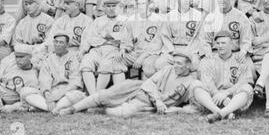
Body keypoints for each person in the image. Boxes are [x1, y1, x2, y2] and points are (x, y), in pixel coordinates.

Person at [57, 50, 204, 117]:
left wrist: (176, 110)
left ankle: (86, 106)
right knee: (104, 95)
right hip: (137, 88)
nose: (176, 66)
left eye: (179, 63)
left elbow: (193, 107)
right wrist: (158, 99)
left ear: (189, 65)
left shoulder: (191, 82)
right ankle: (72, 109)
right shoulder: (167, 69)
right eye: (175, 62)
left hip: (147, 103)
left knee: (119, 113)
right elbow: (149, 84)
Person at [196, 30, 255, 123]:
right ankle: (223, 112)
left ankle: (219, 114)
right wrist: (217, 94)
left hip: (233, 100)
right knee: (196, 85)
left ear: (231, 44)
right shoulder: (208, 59)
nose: (220, 46)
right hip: (213, 100)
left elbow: (243, 82)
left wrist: (226, 93)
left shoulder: (240, 59)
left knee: (247, 88)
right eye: (218, 43)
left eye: (223, 43)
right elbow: (207, 82)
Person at [20, 32, 86, 114]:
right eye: (56, 42)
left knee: (78, 95)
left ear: (67, 45)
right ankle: (54, 108)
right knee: (25, 91)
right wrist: (48, 94)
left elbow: (75, 84)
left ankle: (49, 107)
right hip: (51, 92)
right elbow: (44, 80)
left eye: (61, 42)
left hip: (67, 93)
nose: (58, 44)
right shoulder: (48, 59)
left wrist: (57, 96)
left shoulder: (74, 58)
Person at [113, 0, 167, 80]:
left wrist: (142, 58)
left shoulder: (158, 19)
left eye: (143, 3)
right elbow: (126, 38)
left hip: (151, 53)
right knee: (116, 61)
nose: (141, 6)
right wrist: (124, 48)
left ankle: (145, 92)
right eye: (138, 4)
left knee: (149, 67)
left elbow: (158, 44)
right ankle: (122, 90)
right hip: (135, 52)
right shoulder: (131, 19)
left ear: (149, 4)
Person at [79, 0, 125, 94]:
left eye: (114, 6)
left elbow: (125, 37)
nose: (111, 8)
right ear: (104, 7)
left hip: (114, 49)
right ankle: (93, 94)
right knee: (86, 62)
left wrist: (108, 36)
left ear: (119, 7)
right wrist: (83, 50)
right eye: (108, 6)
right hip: (97, 49)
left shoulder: (125, 20)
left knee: (106, 65)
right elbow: (90, 38)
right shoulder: (98, 21)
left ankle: (97, 96)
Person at [201, 0, 252, 64]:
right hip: (216, 53)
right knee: (203, 66)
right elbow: (205, 41)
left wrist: (243, 52)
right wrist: (208, 54)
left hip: (236, 53)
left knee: (249, 67)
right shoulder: (210, 17)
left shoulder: (241, 16)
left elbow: (246, 40)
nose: (221, 0)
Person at [158, 0, 203, 71]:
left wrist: (188, 52)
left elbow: (198, 37)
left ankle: (188, 84)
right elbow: (165, 36)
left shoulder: (198, 15)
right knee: (160, 64)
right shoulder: (170, 16)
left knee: (194, 65)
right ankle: (169, 83)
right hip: (173, 50)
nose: (186, 0)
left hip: (191, 50)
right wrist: (172, 51)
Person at [12, 0, 54, 64]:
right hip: (24, 52)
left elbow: (49, 41)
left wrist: (37, 49)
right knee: (7, 62)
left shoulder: (48, 20)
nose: (27, 6)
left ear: (38, 4)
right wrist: (26, 50)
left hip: (42, 52)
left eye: (30, 3)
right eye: (26, 4)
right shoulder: (22, 22)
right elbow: (16, 42)